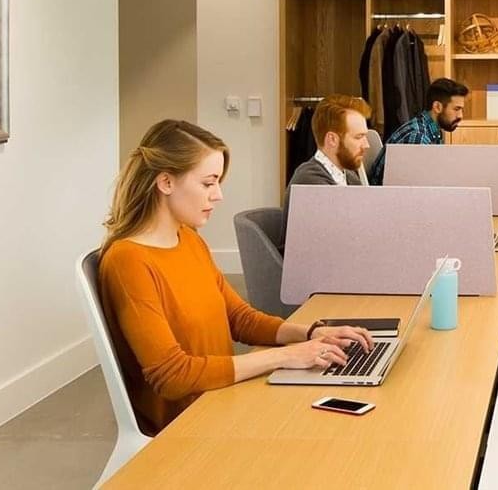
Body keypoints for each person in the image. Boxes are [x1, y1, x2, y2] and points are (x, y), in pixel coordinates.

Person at [98, 119, 375, 436]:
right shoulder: (127, 261)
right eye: (208, 183)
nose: (218, 195)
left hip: (223, 398)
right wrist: (284, 357)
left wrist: (311, 333)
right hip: (189, 426)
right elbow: (172, 375)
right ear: (166, 182)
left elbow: (238, 318)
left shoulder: (188, 239)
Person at [280, 95, 372, 253]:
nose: (367, 145)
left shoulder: (348, 176)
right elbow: (344, 239)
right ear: (332, 140)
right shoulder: (310, 181)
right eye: (359, 137)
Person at [370, 77, 468, 185]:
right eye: (456, 109)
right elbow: (421, 187)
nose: (460, 116)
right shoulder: (419, 137)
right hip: (385, 197)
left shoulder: (433, 130)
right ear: (437, 107)